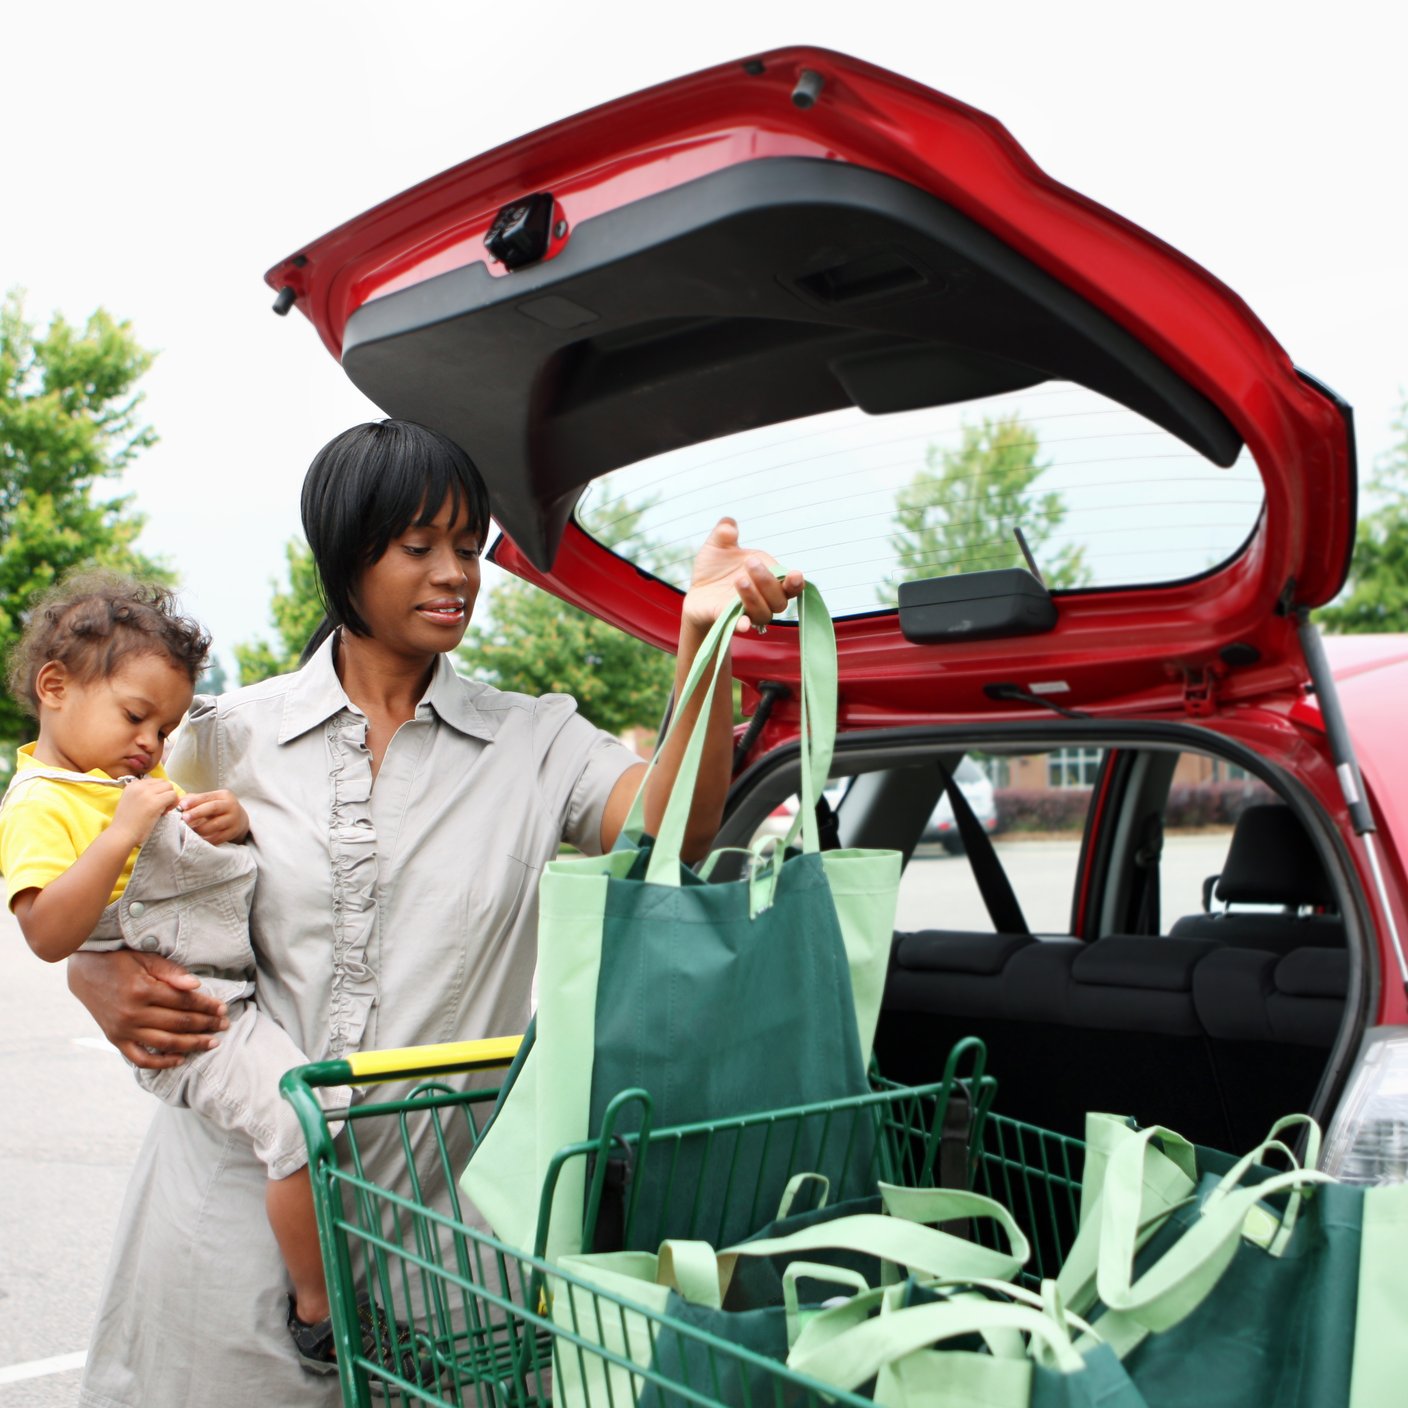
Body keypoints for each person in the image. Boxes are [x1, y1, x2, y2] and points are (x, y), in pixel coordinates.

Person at [66, 418, 803, 1407]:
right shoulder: (221, 738)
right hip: (228, 1234)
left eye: (467, 545)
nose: (454, 571)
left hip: (445, 1257)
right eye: (419, 546)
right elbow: (98, 879)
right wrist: (90, 971)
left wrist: (703, 642)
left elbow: (679, 825)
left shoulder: (534, 738)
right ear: (346, 557)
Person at [0, 573, 354, 1377]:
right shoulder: (40, 802)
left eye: (163, 729)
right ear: (54, 688)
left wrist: (228, 821)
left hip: (225, 983)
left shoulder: (112, 785)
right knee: (298, 1123)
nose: (151, 745)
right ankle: (318, 1309)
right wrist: (122, 831)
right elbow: (48, 932)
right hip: (197, 1017)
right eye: (135, 717)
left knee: (311, 1112)